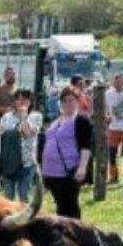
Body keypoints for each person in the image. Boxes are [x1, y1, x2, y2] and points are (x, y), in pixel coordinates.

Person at [41, 85, 92, 219]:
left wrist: (82, 167)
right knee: (60, 207)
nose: (67, 104)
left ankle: (76, 235)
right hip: (51, 173)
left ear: (77, 101)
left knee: (70, 208)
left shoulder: (80, 120)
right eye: (64, 101)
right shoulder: (56, 122)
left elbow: (86, 146)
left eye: (71, 100)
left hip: (68, 172)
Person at [0, 88, 42, 202]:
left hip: (27, 163)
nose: (21, 102)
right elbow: (2, 136)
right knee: (8, 198)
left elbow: (28, 133)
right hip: (9, 163)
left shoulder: (36, 116)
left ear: (30, 101)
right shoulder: (6, 117)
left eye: (24, 99)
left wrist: (24, 116)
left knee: (24, 196)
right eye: (18, 99)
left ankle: (25, 219)